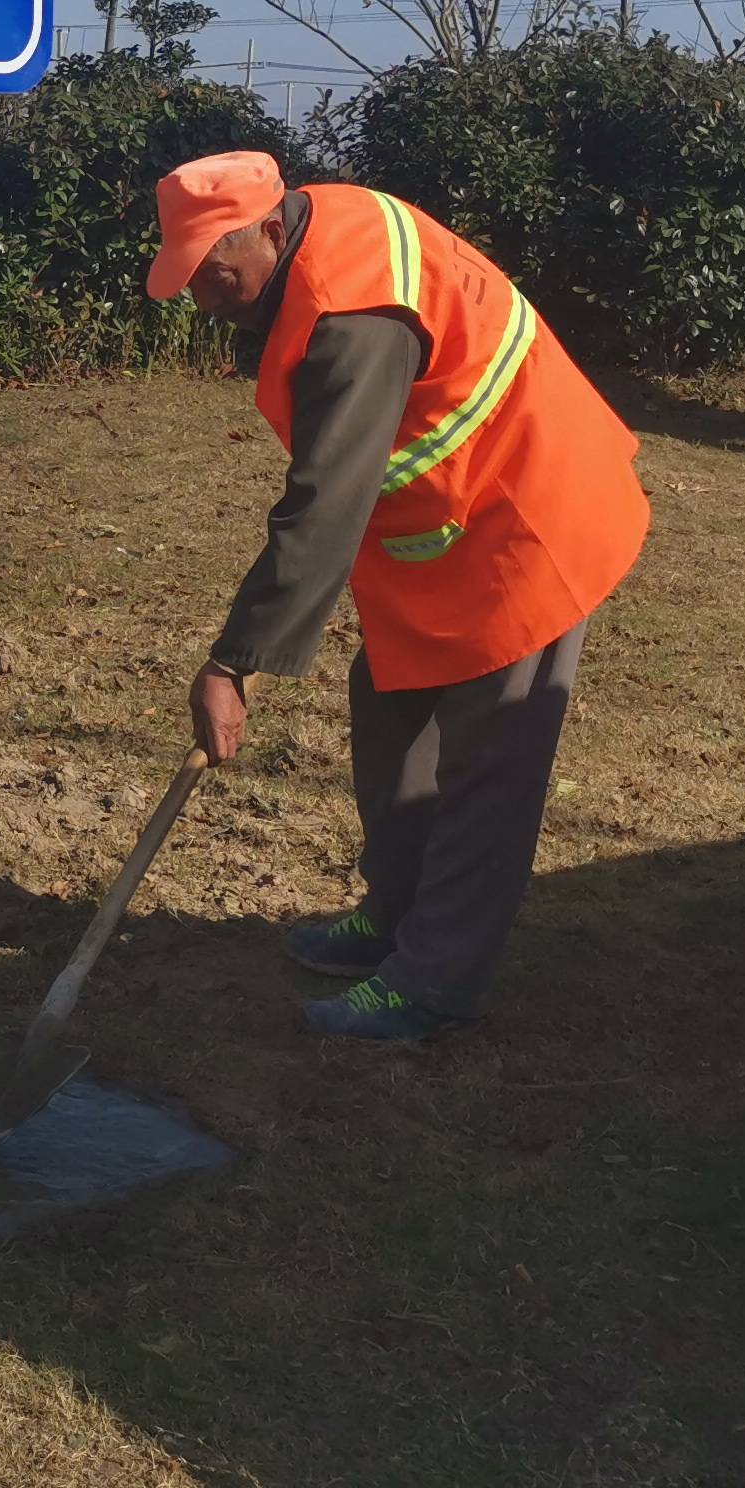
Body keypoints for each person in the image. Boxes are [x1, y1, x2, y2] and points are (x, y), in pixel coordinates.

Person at [147, 150, 649, 1042]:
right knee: (387, 709)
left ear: (270, 230)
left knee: (488, 763)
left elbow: (326, 501)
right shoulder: (312, 226)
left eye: (215, 272)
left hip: (527, 520)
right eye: (189, 277)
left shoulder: (353, 311)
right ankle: (397, 913)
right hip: (447, 533)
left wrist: (234, 660)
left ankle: (433, 982)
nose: (205, 296)